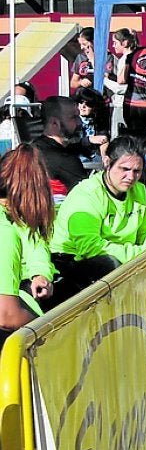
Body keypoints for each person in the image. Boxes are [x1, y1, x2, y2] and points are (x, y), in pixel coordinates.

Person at [49, 135, 146, 300]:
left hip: (122, 255)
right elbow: (90, 248)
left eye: (137, 171)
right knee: (112, 265)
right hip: (70, 262)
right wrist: (142, 252)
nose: (131, 177)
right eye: (124, 169)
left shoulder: (139, 190)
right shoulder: (86, 195)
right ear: (107, 162)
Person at [0, 144, 57, 336]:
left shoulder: (17, 220)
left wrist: (40, 273)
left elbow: (35, 242)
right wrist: (52, 329)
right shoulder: (5, 231)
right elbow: (6, 316)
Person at [33, 95, 101, 199]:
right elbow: (91, 198)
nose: (80, 122)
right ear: (54, 123)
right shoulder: (65, 160)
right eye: (73, 117)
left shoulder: (33, 148)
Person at [69, 27, 97, 91]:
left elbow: (105, 77)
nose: (81, 48)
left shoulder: (106, 56)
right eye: (80, 44)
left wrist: (92, 58)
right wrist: (81, 82)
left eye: (84, 44)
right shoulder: (81, 57)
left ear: (93, 42)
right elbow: (73, 83)